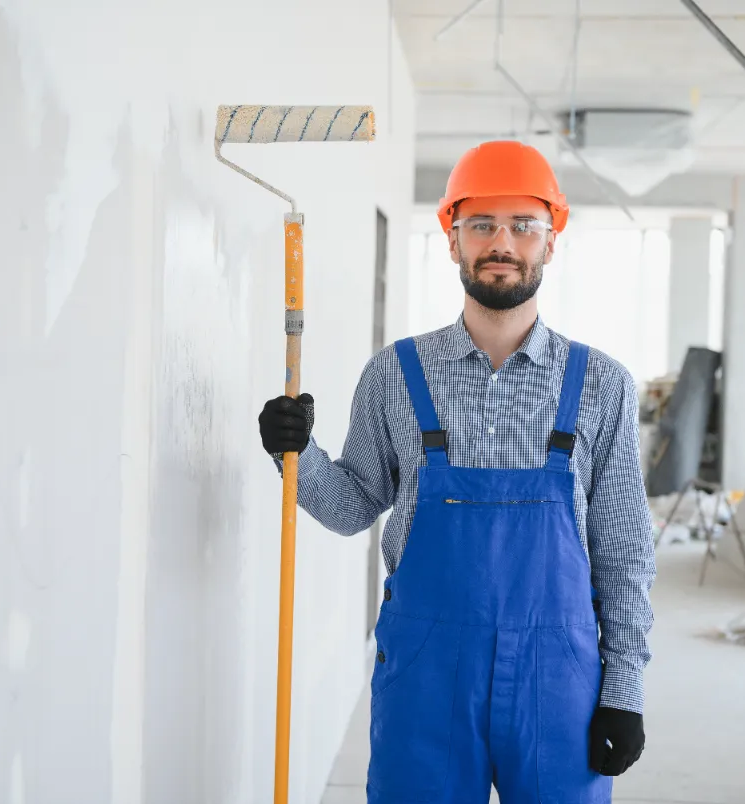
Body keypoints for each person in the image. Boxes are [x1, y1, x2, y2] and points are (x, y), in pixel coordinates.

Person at [258, 140, 656, 804]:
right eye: (481, 224)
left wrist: (623, 692)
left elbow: (622, 554)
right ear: (452, 239)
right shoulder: (395, 373)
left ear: (549, 243)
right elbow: (354, 506)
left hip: (555, 679)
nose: (502, 242)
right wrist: (296, 455)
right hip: (425, 676)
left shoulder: (601, 386)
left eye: (522, 225)